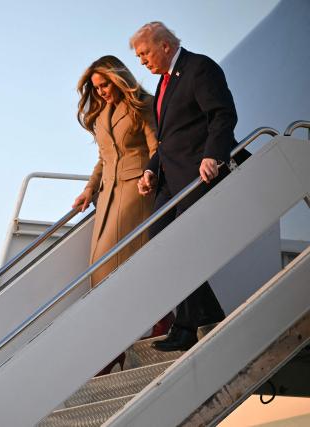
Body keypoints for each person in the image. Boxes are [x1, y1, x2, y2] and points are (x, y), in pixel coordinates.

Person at [131, 22, 237, 352]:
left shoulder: (199, 68)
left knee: (181, 245)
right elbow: (166, 140)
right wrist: (150, 170)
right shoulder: (163, 83)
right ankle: (205, 313)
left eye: (145, 53)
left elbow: (222, 115)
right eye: (138, 56)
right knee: (161, 245)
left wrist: (213, 155)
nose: (142, 61)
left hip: (197, 172)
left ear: (165, 45)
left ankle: (187, 325)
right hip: (168, 178)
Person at [72, 57, 174, 372]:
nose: (101, 91)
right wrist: (89, 190)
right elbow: (103, 159)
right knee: (99, 270)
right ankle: (118, 341)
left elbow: (157, 147)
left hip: (136, 190)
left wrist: (150, 175)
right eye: (96, 87)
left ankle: (149, 324)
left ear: (119, 79)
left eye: (105, 84)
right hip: (108, 197)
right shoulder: (101, 116)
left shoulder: (142, 105)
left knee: (121, 261)